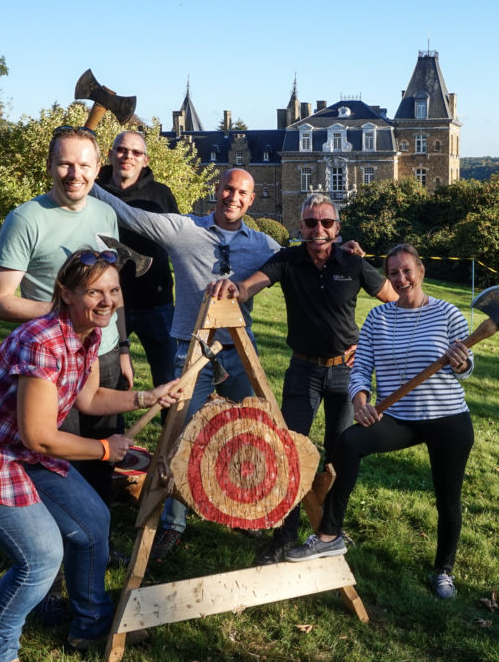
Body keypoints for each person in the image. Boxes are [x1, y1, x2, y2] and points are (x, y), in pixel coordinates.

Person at [0, 249, 181, 659]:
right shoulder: (41, 341)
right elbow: (40, 437)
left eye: (113, 290)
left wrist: (147, 396)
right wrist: (102, 449)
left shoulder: (89, 334)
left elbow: (89, 398)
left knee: (93, 520)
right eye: (94, 292)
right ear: (66, 294)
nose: (108, 301)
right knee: (41, 559)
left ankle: (90, 627)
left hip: (20, 450)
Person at [90, 168, 280, 560]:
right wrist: (85, 182)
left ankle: (246, 509)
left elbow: (300, 261)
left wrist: (345, 252)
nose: (233, 197)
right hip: (189, 349)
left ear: (252, 198)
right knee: (182, 435)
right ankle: (174, 522)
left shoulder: (263, 245)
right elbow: (132, 216)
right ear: (217, 190)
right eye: (228, 189)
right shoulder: (185, 230)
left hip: (239, 349)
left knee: (251, 429)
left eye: (242, 192)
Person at [207, 193, 397, 565]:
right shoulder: (288, 260)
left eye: (327, 223)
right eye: (311, 223)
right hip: (304, 371)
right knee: (289, 450)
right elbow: (249, 286)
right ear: (301, 227)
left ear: (338, 229)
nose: (319, 229)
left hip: (346, 371)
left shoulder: (353, 264)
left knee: (341, 452)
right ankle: (285, 535)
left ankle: (329, 529)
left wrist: (370, 345)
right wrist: (233, 289)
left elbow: (393, 303)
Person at [284, 244, 475, 601]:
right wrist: (361, 403)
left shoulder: (448, 314)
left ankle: (444, 570)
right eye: (393, 273)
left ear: (420, 270)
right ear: (386, 278)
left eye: (407, 271)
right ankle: (329, 535)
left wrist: (462, 362)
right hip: (400, 418)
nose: (401, 279)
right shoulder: (378, 318)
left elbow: (468, 368)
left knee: (447, 498)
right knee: (348, 443)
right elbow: (360, 370)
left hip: (448, 418)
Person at [0, 126, 130, 504]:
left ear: (99, 169)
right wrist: (68, 311)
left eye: (84, 165)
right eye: (64, 164)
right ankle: (63, 542)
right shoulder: (26, 219)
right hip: (56, 360)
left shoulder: (105, 212)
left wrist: (124, 346)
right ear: (49, 165)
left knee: (102, 454)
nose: (74, 174)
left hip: (106, 352)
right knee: (59, 458)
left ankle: (97, 537)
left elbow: (112, 288)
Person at [95, 131, 180, 393]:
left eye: (136, 152)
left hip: (156, 304)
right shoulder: (89, 189)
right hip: (104, 304)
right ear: (110, 154)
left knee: (169, 381)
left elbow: (178, 241)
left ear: (146, 159)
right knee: (107, 379)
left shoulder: (161, 195)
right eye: (121, 149)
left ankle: (172, 433)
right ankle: (110, 434)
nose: (128, 156)